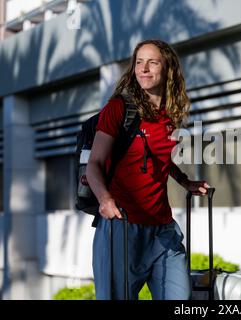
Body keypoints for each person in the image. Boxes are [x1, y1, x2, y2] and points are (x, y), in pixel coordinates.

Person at [86, 39, 210, 300]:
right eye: (139, 62)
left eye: (152, 62)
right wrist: (105, 200)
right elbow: (94, 164)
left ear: (168, 69)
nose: (144, 68)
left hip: (163, 230)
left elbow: (157, 157)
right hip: (122, 226)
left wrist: (185, 181)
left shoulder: (170, 115)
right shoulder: (119, 108)